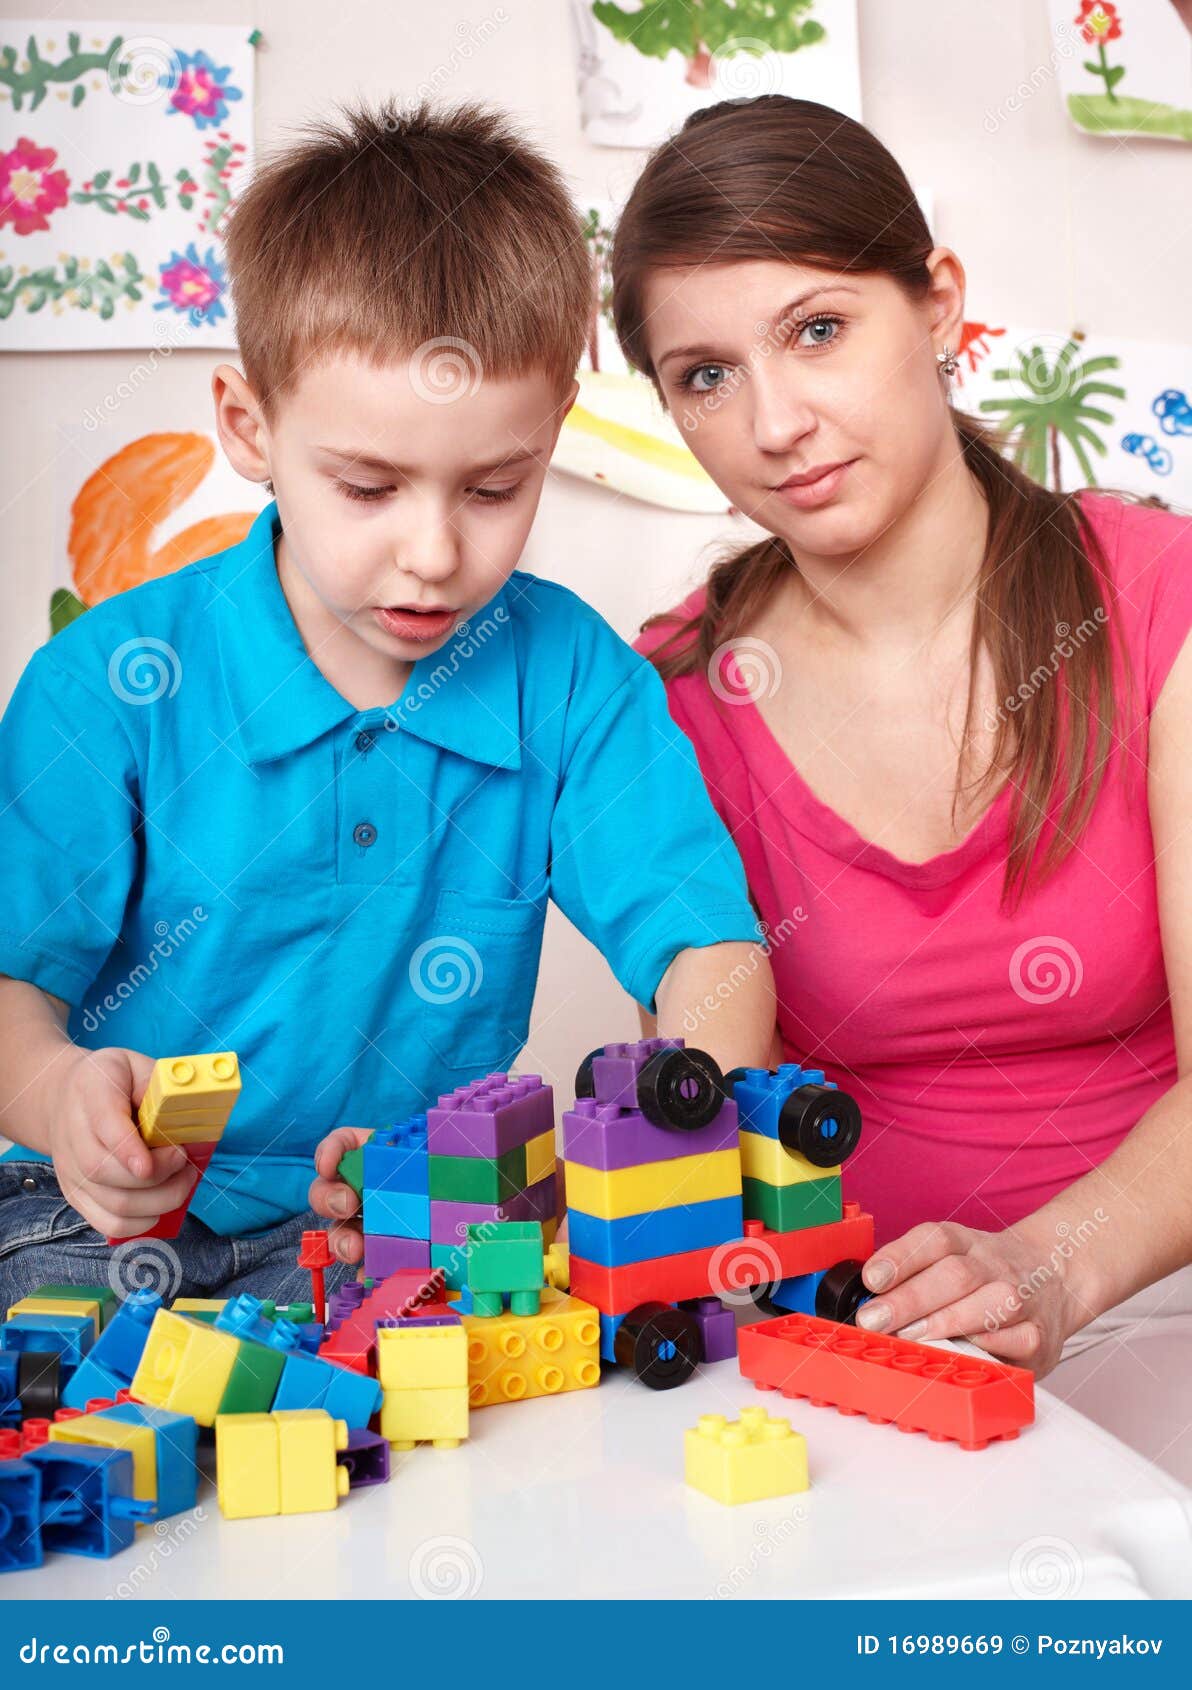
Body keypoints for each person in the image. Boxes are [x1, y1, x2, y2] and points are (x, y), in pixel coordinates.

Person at [0, 102, 772, 1311]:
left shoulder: (572, 677)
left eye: (493, 488)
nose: (433, 554)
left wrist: (676, 1136)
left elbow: (705, 950)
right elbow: (13, 987)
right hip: (88, 1217)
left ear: (552, 431)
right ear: (249, 426)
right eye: (367, 486)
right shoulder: (109, 683)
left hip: (397, 1225)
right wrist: (60, 1101)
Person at [617, 96, 1192, 1482]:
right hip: (847, 1356)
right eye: (706, 374)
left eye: (818, 329)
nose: (776, 422)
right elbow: (701, 1123)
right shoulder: (672, 698)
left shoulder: (1158, 600)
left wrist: (1046, 1268)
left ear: (937, 303)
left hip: (1157, 1311)